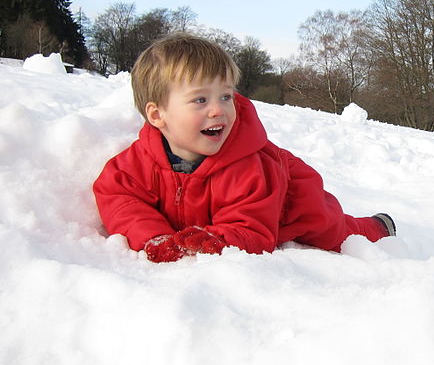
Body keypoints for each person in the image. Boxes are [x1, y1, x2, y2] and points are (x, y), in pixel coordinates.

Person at [93, 33, 395, 263]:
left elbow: (253, 232)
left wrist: (213, 239)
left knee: (334, 232)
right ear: (157, 115)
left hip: (291, 198)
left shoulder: (247, 169)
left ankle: (377, 227)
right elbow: (120, 199)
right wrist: (154, 237)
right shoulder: (137, 163)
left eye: (226, 96)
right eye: (201, 100)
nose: (218, 110)